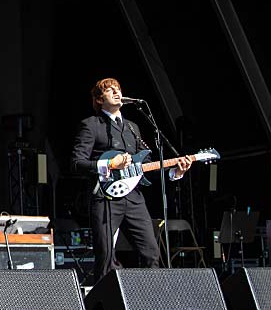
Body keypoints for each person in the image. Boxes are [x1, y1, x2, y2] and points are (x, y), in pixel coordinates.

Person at [70, 77, 193, 282]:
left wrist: (175, 172)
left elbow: (146, 165)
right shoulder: (91, 125)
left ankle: (149, 297)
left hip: (134, 198)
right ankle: (106, 300)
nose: (117, 92)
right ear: (99, 99)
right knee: (106, 256)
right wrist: (110, 164)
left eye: (118, 89)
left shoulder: (132, 127)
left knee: (151, 252)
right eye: (110, 90)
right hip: (106, 198)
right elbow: (76, 163)